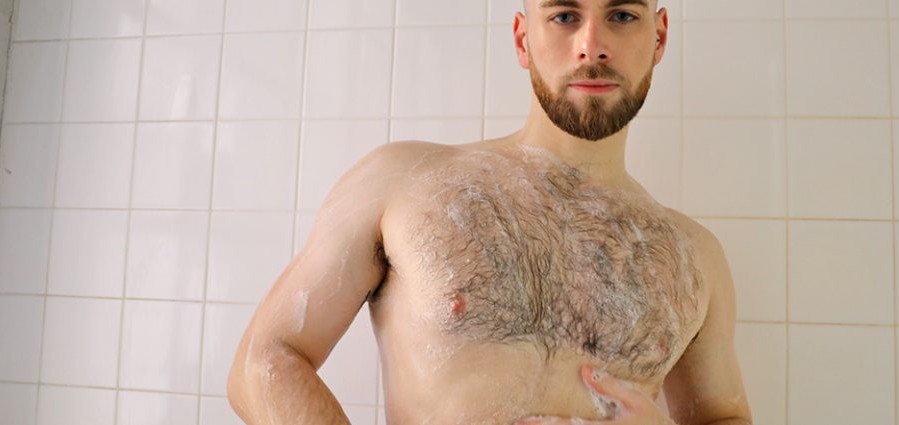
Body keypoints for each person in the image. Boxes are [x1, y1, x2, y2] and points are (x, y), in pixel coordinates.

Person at [227, 0, 753, 424]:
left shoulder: (694, 257)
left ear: (658, 37)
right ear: (523, 39)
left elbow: (724, 417)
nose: (592, 44)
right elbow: (265, 361)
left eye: (621, 15)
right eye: (564, 16)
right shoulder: (403, 183)